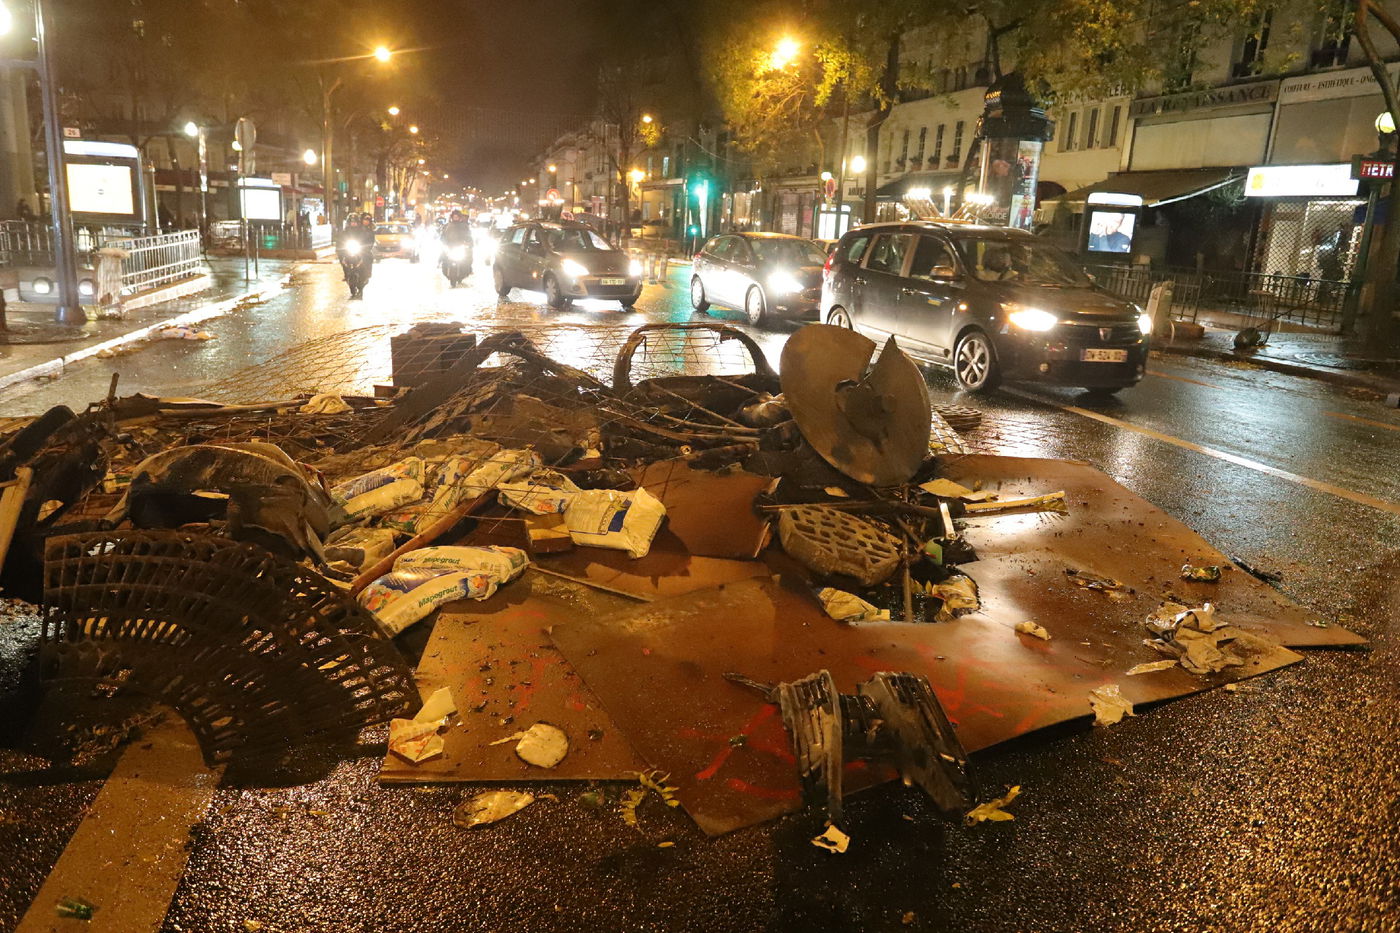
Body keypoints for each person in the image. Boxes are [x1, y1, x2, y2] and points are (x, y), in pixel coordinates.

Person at [336, 212, 376, 282]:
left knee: (368, 256)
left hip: (360, 249)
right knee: (341, 257)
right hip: (348, 249)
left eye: (355, 222)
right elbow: (340, 240)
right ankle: (346, 273)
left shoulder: (362, 231)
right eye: (352, 222)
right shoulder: (345, 231)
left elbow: (366, 240)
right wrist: (339, 248)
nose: (353, 223)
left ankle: (366, 273)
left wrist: (365, 247)